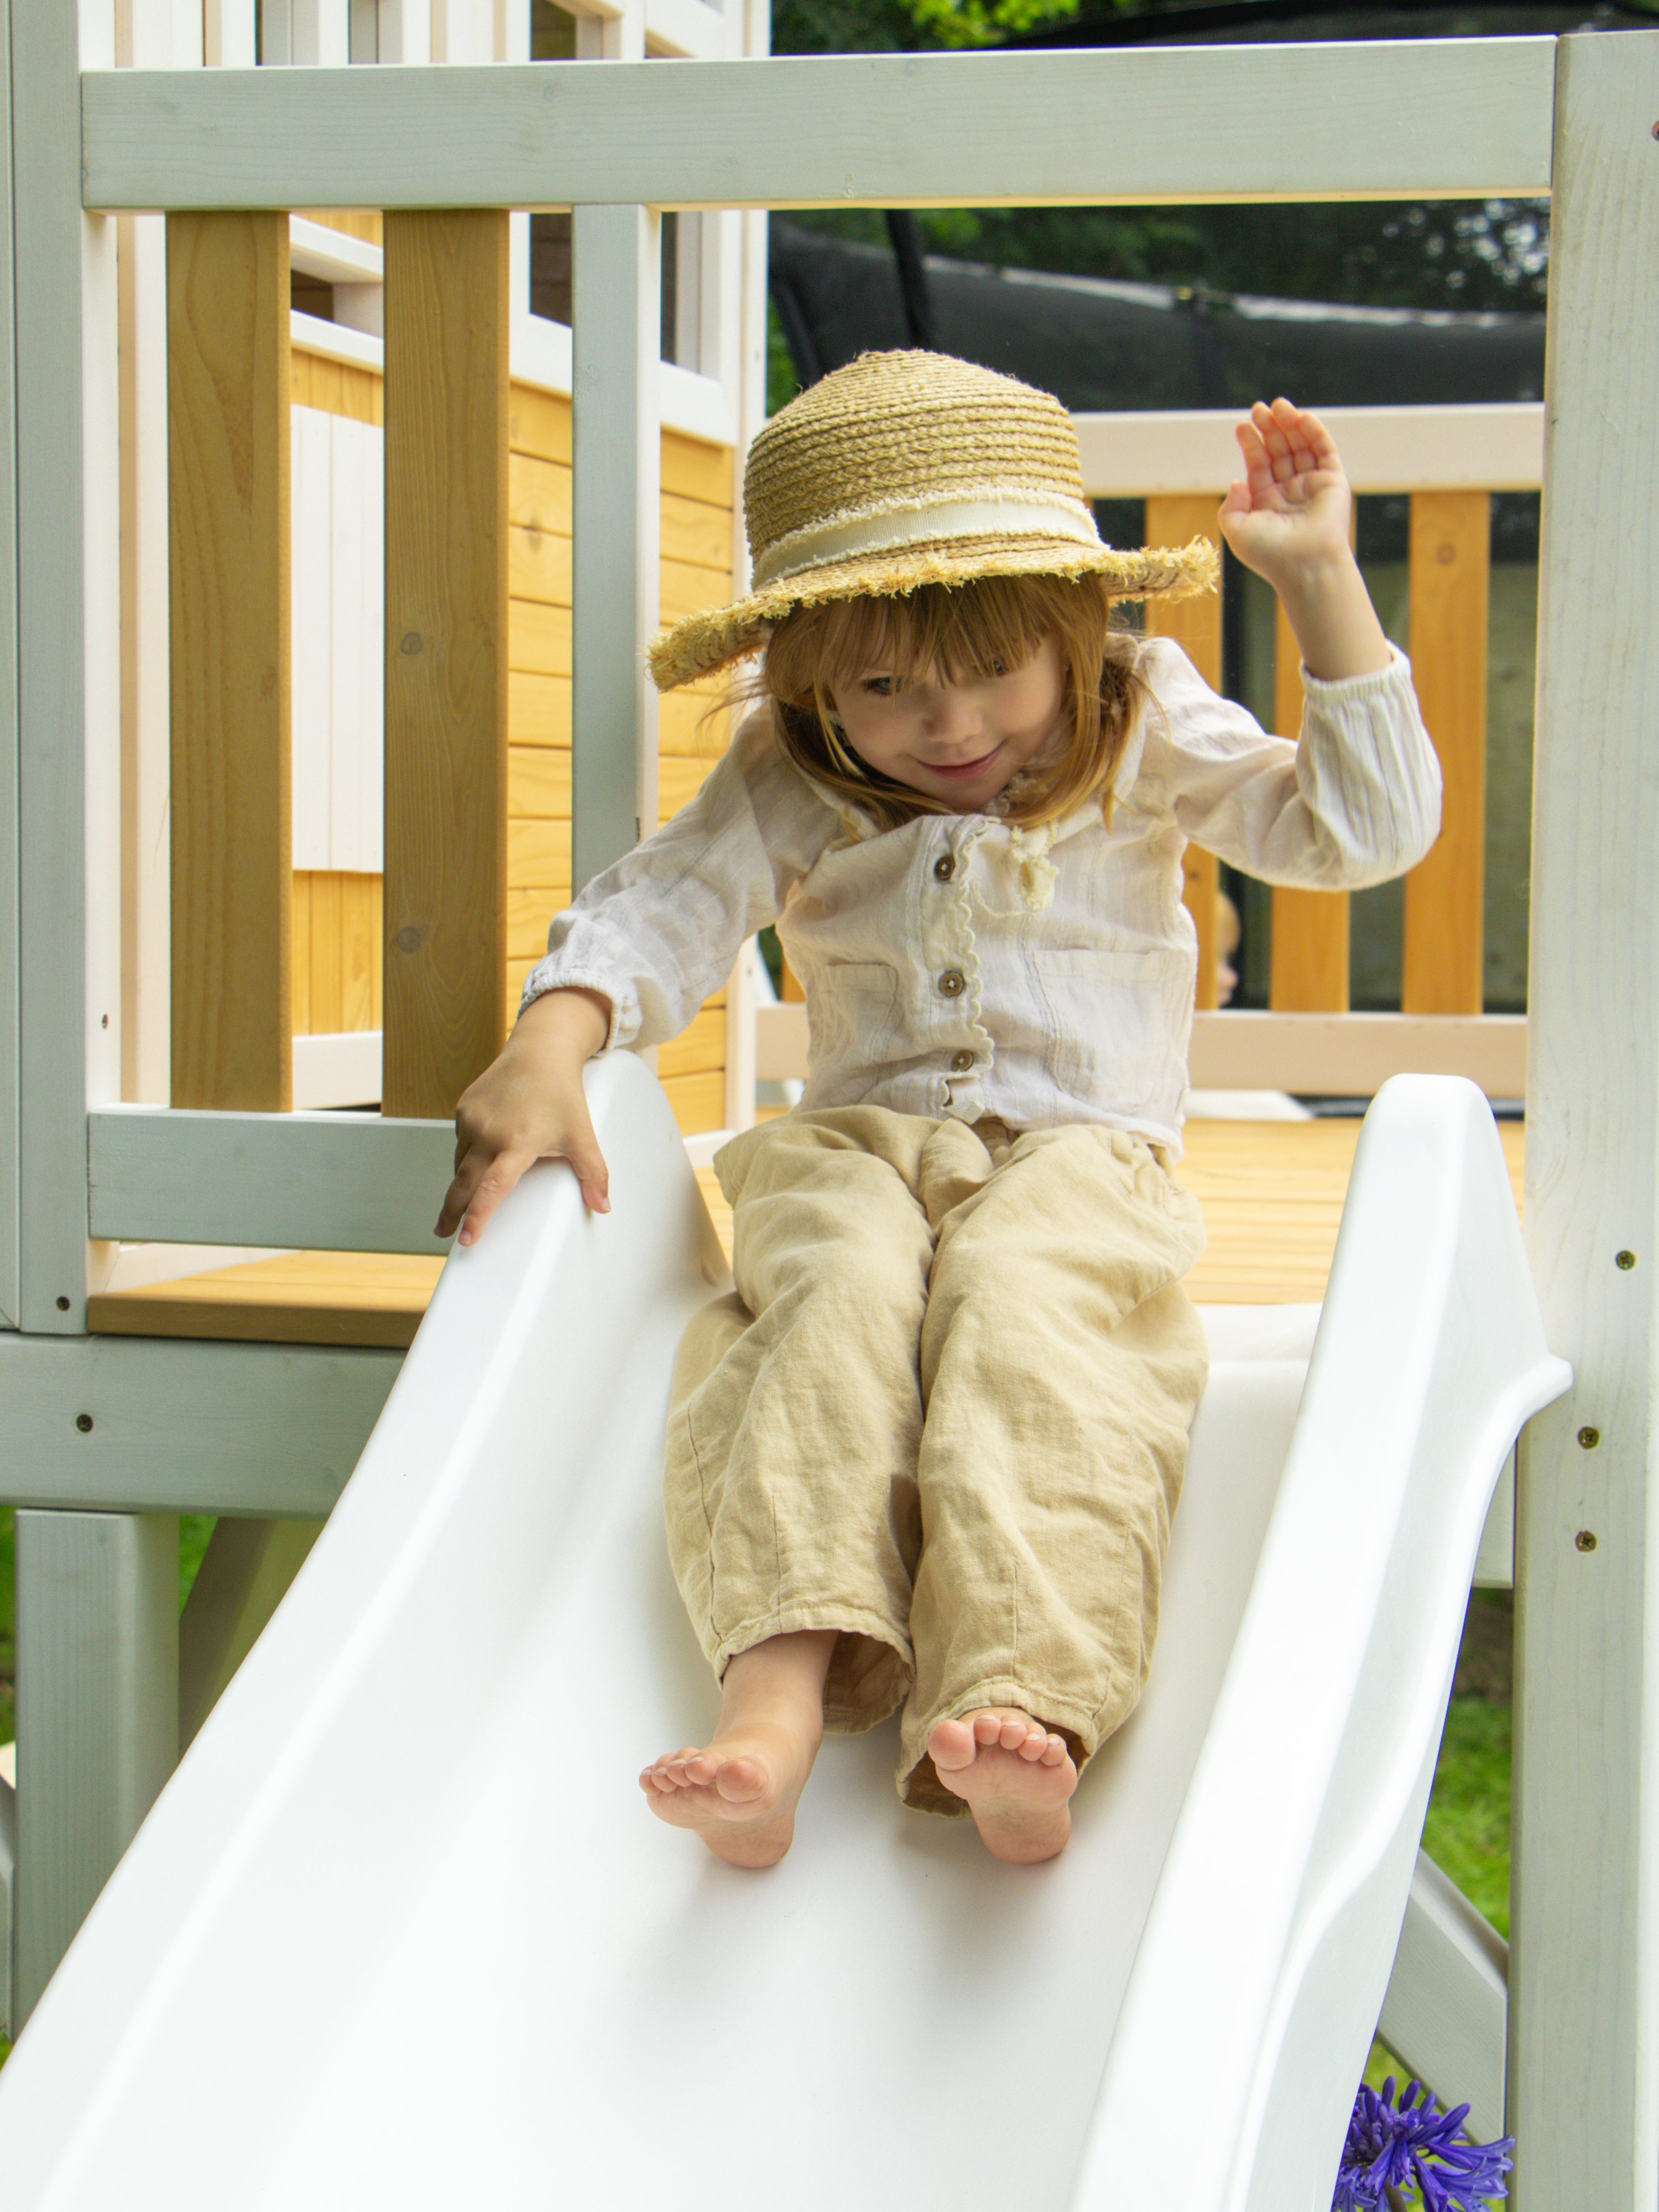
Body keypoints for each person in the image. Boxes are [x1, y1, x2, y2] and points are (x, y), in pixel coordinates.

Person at [435, 351, 1441, 1870]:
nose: (947, 721)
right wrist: (556, 1036)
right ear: (812, 678)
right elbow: (670, 905)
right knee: (825, 1298)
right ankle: (771, 1703)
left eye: (990, 668)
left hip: (1084, 1156)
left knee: (1025, 1314)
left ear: (1068, 629)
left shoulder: (1140, 719)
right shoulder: (795, 770)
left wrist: (1316, 585)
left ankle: (1024, 1708)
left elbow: (1359, 828)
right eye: (885, 682)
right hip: (858, 1146)